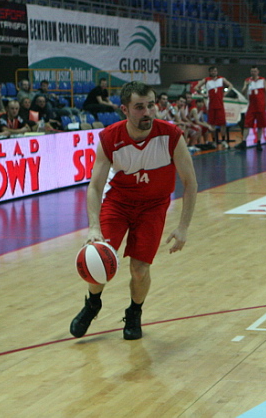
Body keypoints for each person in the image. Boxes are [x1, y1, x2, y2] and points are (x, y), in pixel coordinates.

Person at [69, 81, 198, 340]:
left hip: (153, 206)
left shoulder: (171, 135)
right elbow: (95, 187)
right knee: (98, 256)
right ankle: (93, 304)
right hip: (119, 203)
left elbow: (190, 183)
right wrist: (93, 226)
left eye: (151, 105)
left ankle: (134, 312)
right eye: (139, 107)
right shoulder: (110, 138)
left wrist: (183, 227)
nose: (147, 112)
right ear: (125, 110)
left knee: (139, 269)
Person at [196, 66, 233, 146]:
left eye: (215, 71)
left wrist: (225, 93)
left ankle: (223, 140)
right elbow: (196, 87)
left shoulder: (221, 79)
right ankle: (214, 141)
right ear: (210, 72)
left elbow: (230, 85)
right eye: (212, 71)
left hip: (220, 105)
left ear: (217, 72)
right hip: (211, 105)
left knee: (223, 123)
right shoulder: (206, 80)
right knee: (212, 124)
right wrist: (203, 94)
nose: (214, 72)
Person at [236, 65, 266, 150]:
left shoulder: (262, 80)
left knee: (260, 125)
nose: (253, 73)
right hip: (251, 106)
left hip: (260, 106)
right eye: (252, 71)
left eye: (255, 71)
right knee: (247, 124)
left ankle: (259, 142)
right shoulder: (247, 80)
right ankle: (244, 142)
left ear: (258, 72)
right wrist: (246, 86)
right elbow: (243, 93)